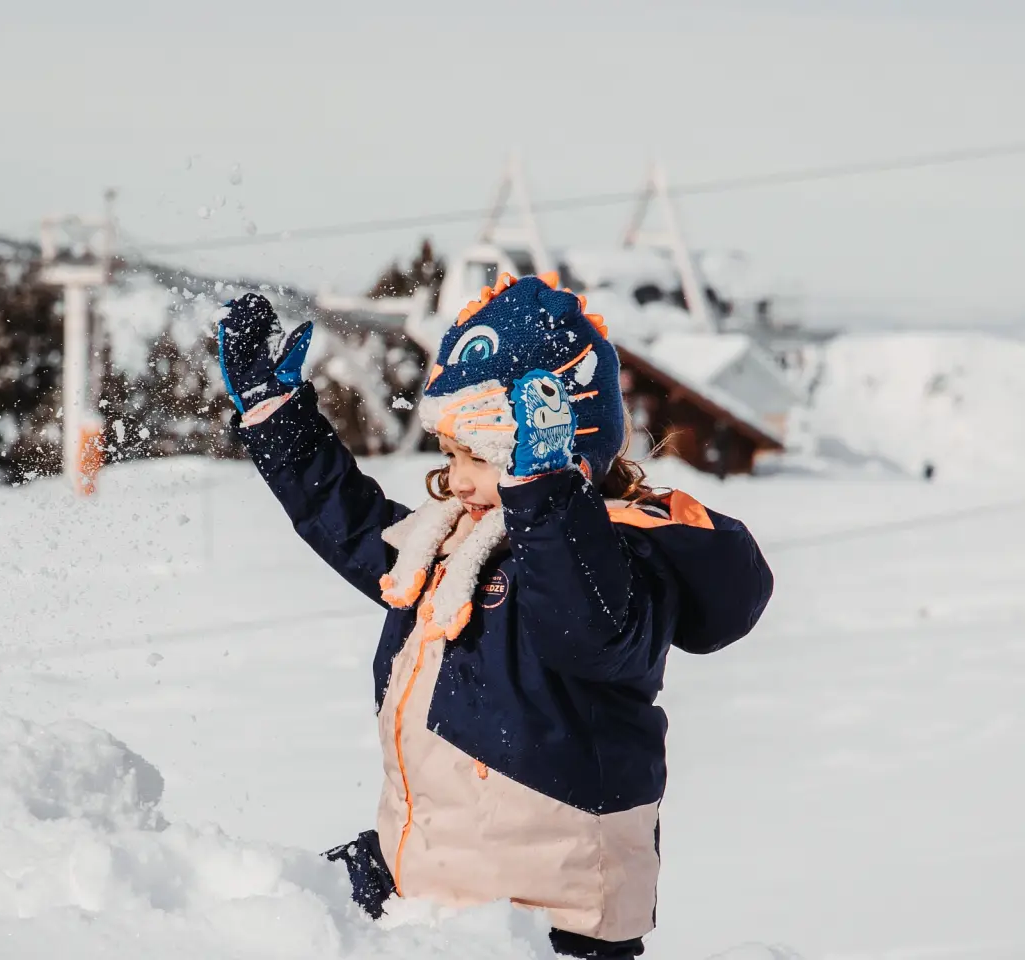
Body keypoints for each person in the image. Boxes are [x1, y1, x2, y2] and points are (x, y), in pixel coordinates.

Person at [217, 277, 774, 958]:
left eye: (478, 456)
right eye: (449, 454)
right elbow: (352, 526)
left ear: (556, 444)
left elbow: (589, 634)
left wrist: (544, 494)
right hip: (436, 878)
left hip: (552, 915)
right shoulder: (455, 542)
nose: (455, 479)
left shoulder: (621, 553)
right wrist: (278, 417)